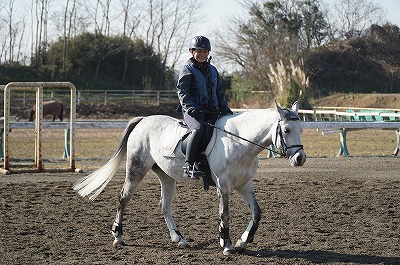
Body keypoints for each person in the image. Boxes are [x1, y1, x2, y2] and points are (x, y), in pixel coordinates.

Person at [176, 35, 232, 179]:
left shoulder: (213, 70)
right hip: (193, 112)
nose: (201, 54)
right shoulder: (187, 69)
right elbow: (182, 91)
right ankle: (189, 166)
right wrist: (189, 107)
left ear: (208, 53)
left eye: (204, 51)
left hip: (212, 111)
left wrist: (226, 110)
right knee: (199, 129)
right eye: (198, 51)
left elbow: (219, 93)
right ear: (191, 52)